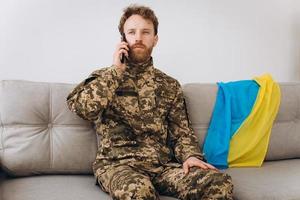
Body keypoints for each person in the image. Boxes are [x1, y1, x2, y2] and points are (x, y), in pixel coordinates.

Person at [66, 4, 233, 200]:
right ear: (123, 39)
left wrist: (191, 156)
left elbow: (181, 132)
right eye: (131, 32)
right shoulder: (104, 78)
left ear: (155, 39)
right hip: (119, 167)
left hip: (163, 167)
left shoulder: (169, 85)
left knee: (218, 182)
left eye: (145, 32)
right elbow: (83, 108)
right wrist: (115, 72)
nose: (138, 38)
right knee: (138, 191)